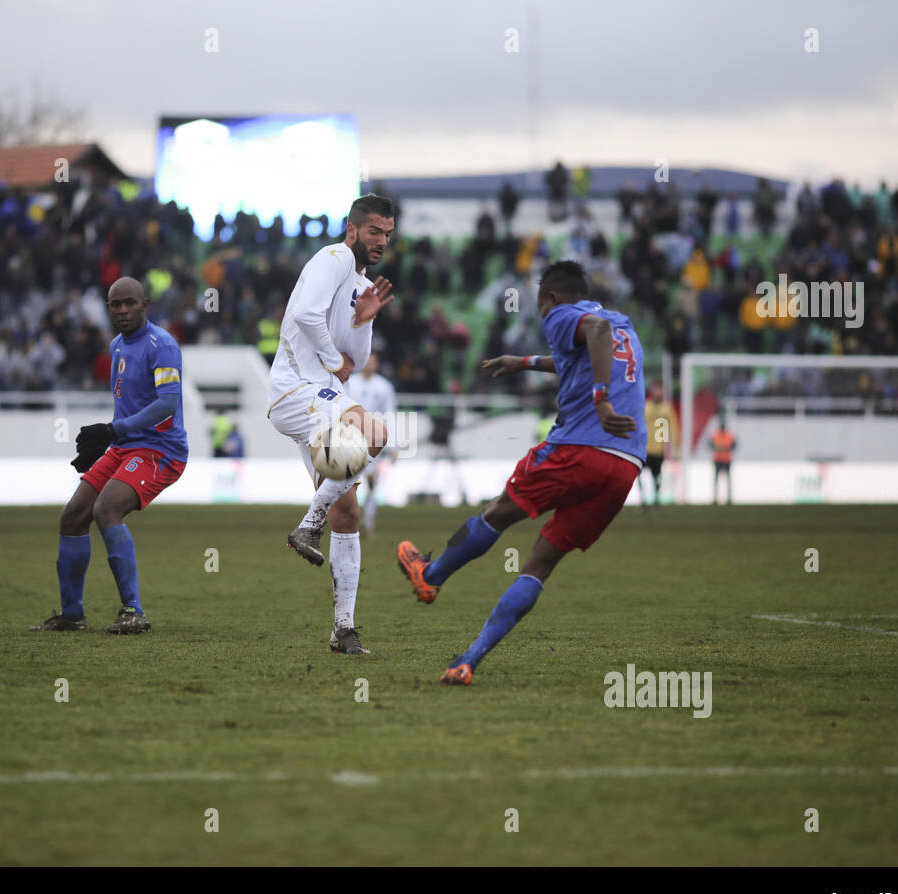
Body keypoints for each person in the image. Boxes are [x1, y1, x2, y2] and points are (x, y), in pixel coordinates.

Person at [396, 260, 645, 685]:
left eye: (541, 306)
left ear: (551, 298)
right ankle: (468, 660)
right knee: (539, 563)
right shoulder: (622, 324)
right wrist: (525, 361)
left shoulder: (566, 315)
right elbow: (589, 346)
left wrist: (601, 400)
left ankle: (429, 575)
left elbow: (592, 336)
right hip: (624, 465)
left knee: (499, 512)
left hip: (579, 447)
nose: (543, 315)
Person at [268, 194, 395, 655]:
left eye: (387, 233)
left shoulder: (357, 282)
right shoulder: (334, 257)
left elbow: (354, 363)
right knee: (377, 434)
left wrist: (362, 322)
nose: (381, 241)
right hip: (296, 388)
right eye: (375, 231)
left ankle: (344, 630)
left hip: (320, 395)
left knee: (349, 511)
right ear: (352, 229)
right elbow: (303, 316)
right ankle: (308, 523)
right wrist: (330, 359)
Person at [30, 276, 187, 633]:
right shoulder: (116, 345)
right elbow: (129, 405)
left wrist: (113, 431)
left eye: (130, 303)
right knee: (72, 516)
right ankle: (72, 614)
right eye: (116, 305)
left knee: (106, 509)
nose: (123, 310)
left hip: (160, 450)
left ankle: (134, 611)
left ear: (145, 305)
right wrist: (106, 443)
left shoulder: (161, 345)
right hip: (124, 447)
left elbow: (166, 404)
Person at [351, 354, 397, 536]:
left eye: (373, 362)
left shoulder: (384, 387)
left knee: (371, 483)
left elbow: (390, 415)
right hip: (350, 438)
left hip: (373, 440)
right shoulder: (350, 383)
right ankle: (350, 518)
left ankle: (368, 522)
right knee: (347, 482)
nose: (369, 365)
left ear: (377, 365)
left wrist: (392, 446)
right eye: (366, 361)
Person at [642, 380, 678, 506]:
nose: (658, 392)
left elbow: (672, 426)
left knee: (656, 476)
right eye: (656, 389)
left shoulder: (666, 409)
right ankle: (642, 498)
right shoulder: (645, 406)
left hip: (658, 449)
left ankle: (656, 498)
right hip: (644, 449)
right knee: (639, 475)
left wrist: (673, 444)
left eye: (660, 390)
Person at [710, 415, 736, 505]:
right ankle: (716, 499)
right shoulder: (716, 435)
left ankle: (728, 499)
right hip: (718, 459)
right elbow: (710, 445)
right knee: (717, 480)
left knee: (726, 480)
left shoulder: (728, 435)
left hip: (726, 460)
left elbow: (734, 445)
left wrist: (724, 448)